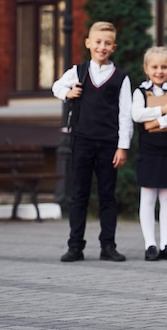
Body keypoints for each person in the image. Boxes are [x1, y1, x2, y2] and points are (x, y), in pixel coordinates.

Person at [52, 21, 133, 263]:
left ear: (114, 47)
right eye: (97, 42)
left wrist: (122, 146)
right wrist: (67, 93)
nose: (102, 47)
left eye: (107, 43)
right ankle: (75, 246)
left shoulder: (121, 78)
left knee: (107, 196)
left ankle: (108, 246)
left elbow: (125, 114)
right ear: (88, 43)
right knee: (79, 195)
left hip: (109, 144)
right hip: (82, 141)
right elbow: (56, 86)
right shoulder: (78, 71)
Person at [132, 46, 167, 261]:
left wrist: (156, 121)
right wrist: (163, 110)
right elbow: (137, 114)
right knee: (147, 197)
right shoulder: (139, 92)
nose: (159, 71)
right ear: (146, 69)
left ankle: (166, 243)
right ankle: (150, 245)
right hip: (148, 150)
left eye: (164, 67)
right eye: (154, 67)